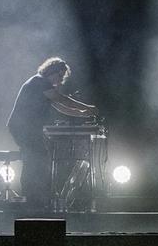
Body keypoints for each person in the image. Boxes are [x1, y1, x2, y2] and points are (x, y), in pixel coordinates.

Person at [7, 57, 98, 209]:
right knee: (35, 159)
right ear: (52, 71)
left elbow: (61, 107)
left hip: (27, 128)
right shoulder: (39, 81)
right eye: (60, 75)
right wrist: (87, 107)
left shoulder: (43, 85)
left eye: (63, 76)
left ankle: (34, 198)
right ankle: (32, 199)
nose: (61, 79)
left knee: (38, 158)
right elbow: (61, 99)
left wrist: (84, 113)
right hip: (22, 127)